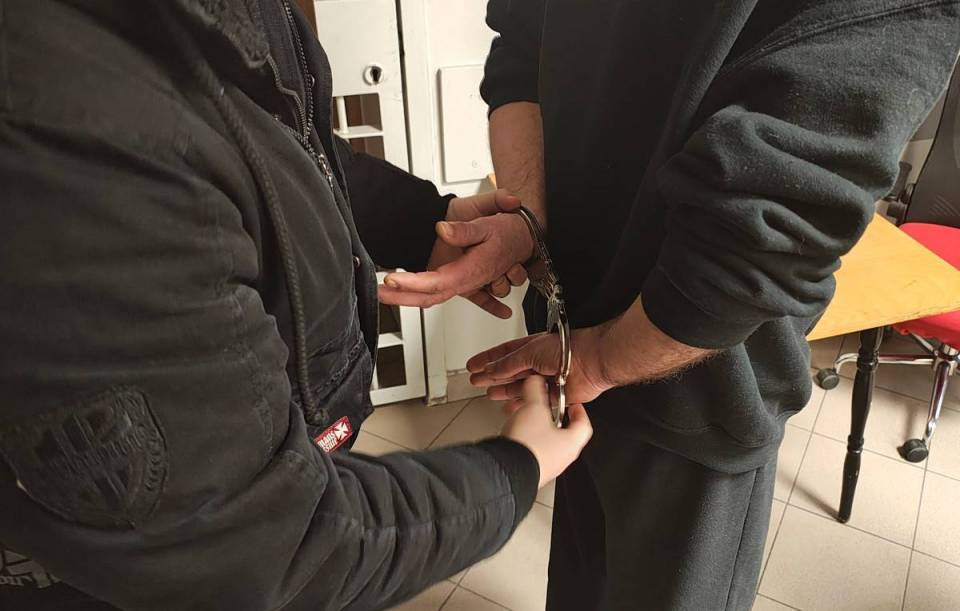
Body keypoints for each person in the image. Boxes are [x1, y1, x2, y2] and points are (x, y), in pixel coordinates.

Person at [0, 1, 593, 609]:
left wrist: (427, 224)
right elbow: (266, 550)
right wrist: (513, 470)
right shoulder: (59, 133)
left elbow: (286, 152)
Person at [380, 1, 960, 609]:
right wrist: (530, 225)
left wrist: (596, 358)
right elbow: (525, 49)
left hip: (683, 386)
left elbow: (771, 225)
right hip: (581, 352)